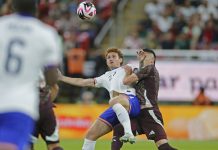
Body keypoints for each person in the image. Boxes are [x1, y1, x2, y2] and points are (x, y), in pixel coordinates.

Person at [0, 0, 61, 149]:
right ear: (36, 10)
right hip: (21, 103)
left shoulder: (2, 26)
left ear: (13, 6)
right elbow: (52, 77)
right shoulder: (46, 33)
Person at [58, 48, 141, 150]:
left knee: (114, 100)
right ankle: (127, 132)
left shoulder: (127, 67)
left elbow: (140, 76)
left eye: (114, 56)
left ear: (120, 59)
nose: (111, 59)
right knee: (90, 135)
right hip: (115, 106)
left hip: (131, 101)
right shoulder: (104, 77)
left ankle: (128, 132)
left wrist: (138, 65)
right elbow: (83, 82)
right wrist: (62, 78)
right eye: (108, 57)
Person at [112, 48, 177, 150]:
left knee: (163, 146)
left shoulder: (150, 68)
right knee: (119, 129)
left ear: (152, 60)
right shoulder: (144, 71)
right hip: (138, 113)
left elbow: (126, 81)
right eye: (141, 55)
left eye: (145, 56)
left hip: (149, 112)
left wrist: (127, 72)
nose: (142, 57)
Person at [30, 71, 63, 150]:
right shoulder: (45, 67)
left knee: (27, 144)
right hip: (46, 109)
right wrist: (48, 104)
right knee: (54, 145)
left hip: (29, 110)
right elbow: (55, 87)